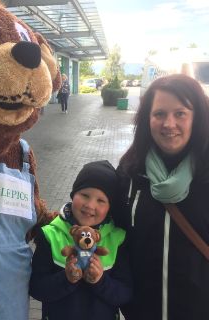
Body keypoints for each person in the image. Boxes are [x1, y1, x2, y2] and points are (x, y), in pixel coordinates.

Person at [114, 74, 209, 320]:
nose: (169, 124)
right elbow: (116, 239)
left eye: (180, 113)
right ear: (147, 120)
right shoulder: (130, 173)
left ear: (196, 118)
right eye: (159, 114)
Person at [29, 160, 132, 320]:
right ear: (73, 195)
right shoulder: (50, 235)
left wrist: (100, 281)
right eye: (84, 195)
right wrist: (66, 279)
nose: (90, 205)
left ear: (110, 207)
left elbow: (124, 293)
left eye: (101, 200)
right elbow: (36, 287)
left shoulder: (117, 239)